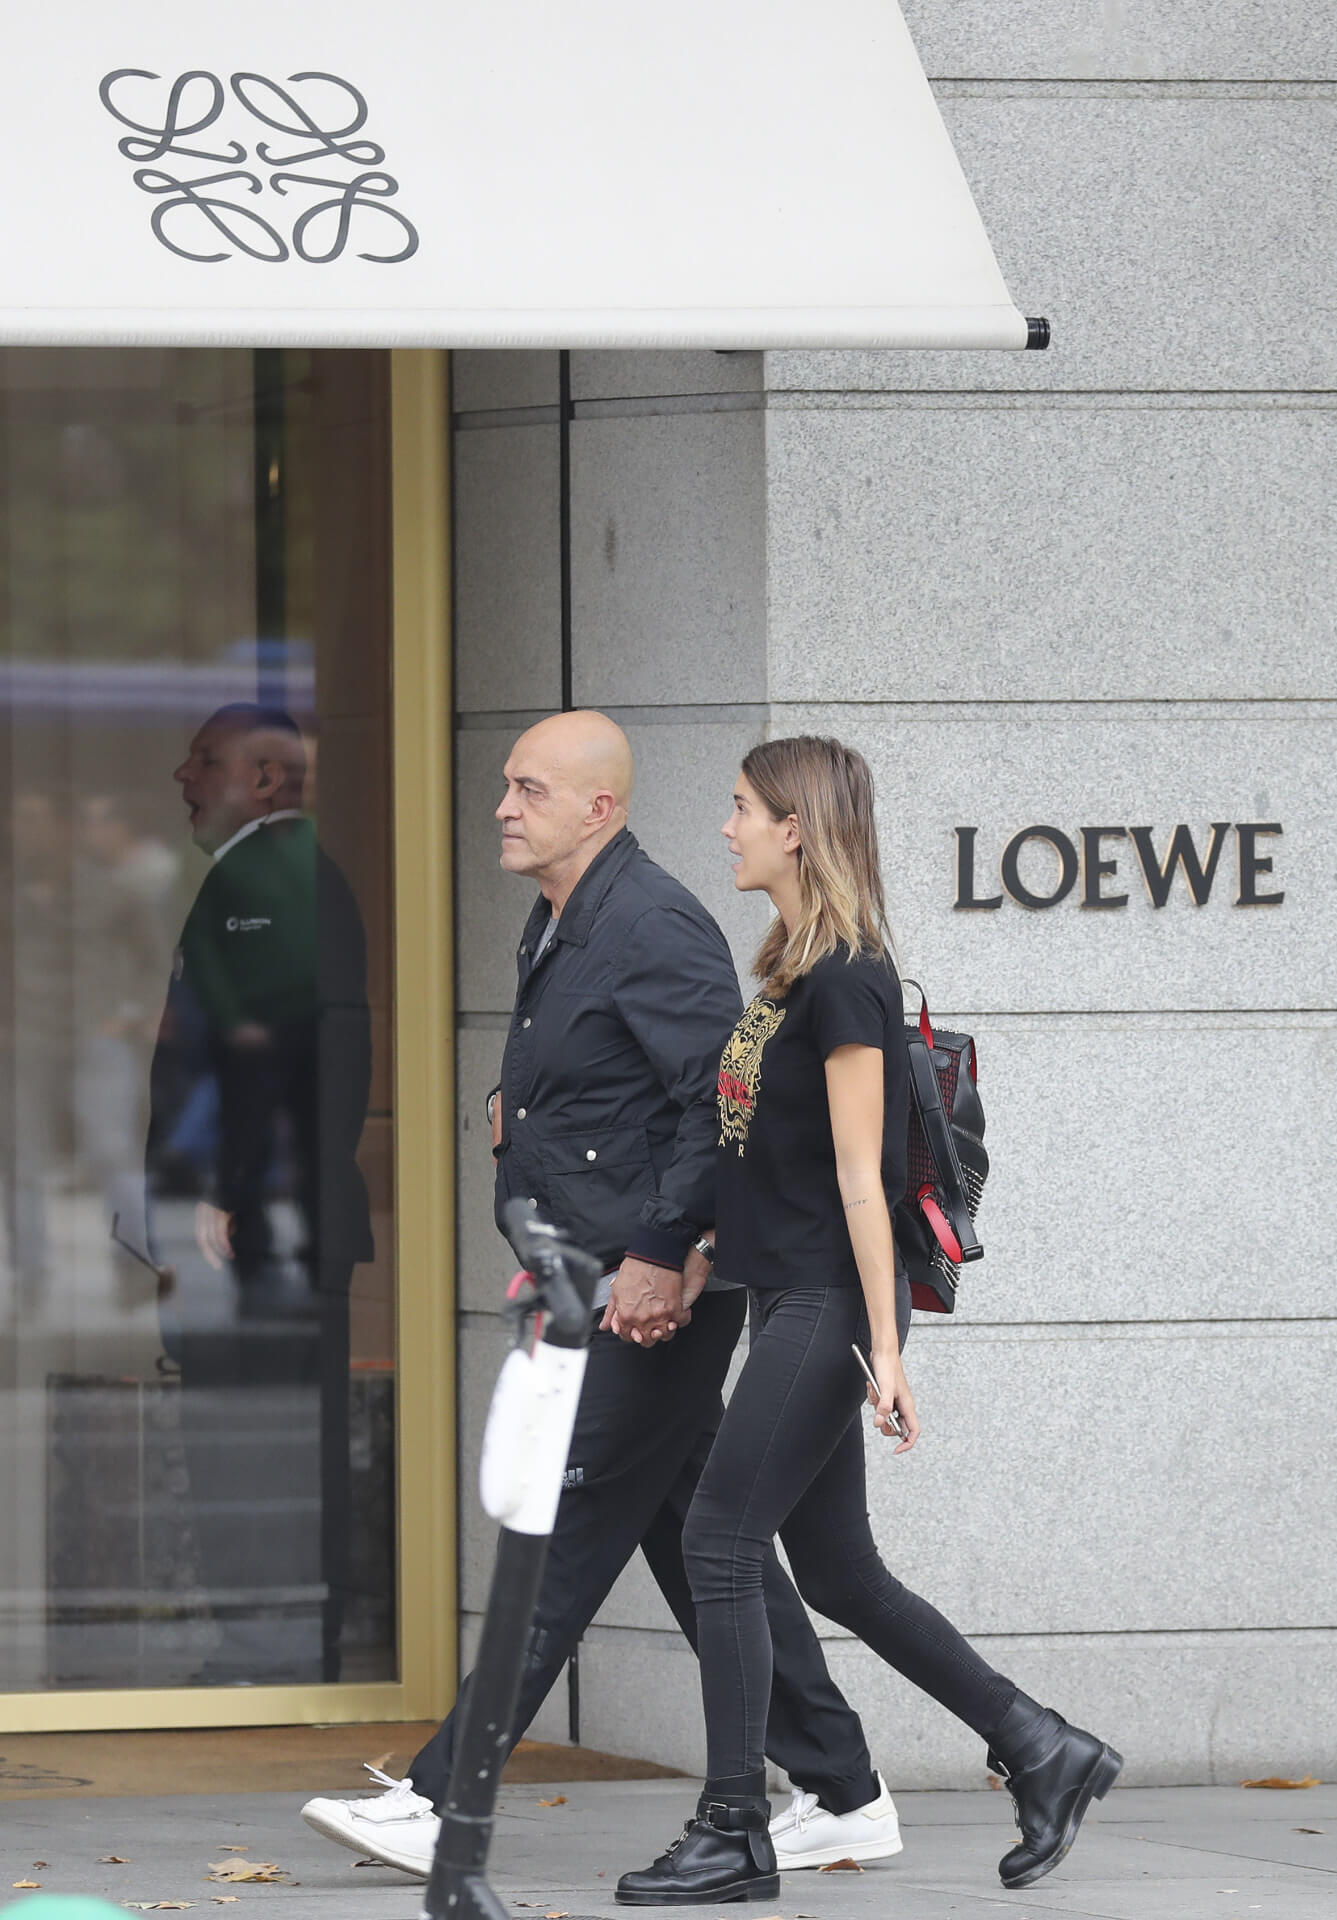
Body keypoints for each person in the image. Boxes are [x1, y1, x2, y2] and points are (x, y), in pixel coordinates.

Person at [302, 711, 900, 1876]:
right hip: (603, 1277)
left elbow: (707, 1107)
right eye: (505, 786)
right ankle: (840, 1786)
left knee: (564, 1525)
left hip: (651, 1293)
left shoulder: (653, 922)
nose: (502, 806)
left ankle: (445, 1797)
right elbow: (596, 1078)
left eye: (527, 788)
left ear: (597, 809)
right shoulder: (566, 917)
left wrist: (657, 1251)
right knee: (684, 1533)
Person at [615, 737, 1123, 1908]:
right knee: (837, 1569)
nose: (727, 825)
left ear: (795, 827)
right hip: (786, 1290)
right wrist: (697, 1260)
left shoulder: (848, 976)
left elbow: (860, 1179)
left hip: (829, 1302)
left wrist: (885, 1354)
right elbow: (762, 1157)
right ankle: (1041, 1746)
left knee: (718, 1545)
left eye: (741, 808)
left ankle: (734, 1826)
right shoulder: (791, 970)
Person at [145, 703, 373, 1683]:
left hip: (253, 1231)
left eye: (205, 761)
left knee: (256, 1448)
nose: (183, 778)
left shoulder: (273, 875)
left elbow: (302, 1053)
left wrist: (233, 1192)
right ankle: (261, 1645)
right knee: (240, 1442)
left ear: (266, 779)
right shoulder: (260, 875)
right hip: (245, 1225)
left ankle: (270, 1651)